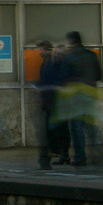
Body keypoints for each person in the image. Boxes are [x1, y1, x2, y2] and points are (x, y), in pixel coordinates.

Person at [59, 31, 103, 167]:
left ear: (71, 42)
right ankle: (96, 153)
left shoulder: (70, 57)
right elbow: (98, 75)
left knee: (77, 128)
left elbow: (65, 78)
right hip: (90, 94)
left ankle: (80, 157)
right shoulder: (92, 55)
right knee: (90, 126)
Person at [33, 40, 64, 169]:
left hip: (53, 99)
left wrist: (40, 86)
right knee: (49, 126)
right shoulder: (45, 63)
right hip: (48, 99)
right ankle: (51, 151)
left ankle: (56, 150)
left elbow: (52, 81)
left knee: (53, 126)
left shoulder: (52, 63)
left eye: (41, 49)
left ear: (47, 50)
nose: (39, 52)